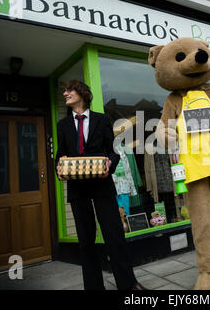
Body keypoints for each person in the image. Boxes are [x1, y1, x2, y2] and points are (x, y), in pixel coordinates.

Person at [55, 80, 146, 291]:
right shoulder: (63, 125)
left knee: (114, 236)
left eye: (69, 90)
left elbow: (114, 152)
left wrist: (109, 163)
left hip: (102, 185)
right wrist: (59, 170)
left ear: (82, 93)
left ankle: (128, 284)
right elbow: (61, 156)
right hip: (78, 189)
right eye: (64, 91)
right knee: (86, 242)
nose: (65, 94)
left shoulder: (103, 120)